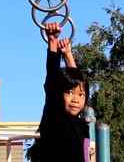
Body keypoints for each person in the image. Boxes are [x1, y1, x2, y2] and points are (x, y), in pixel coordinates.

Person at [37, 22, 91, 162]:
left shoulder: (80, 124)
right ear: (59, 94)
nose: (75, 99)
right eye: (69, 93)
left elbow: (79, 84)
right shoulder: (55, 115)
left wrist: (68, 54)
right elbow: (53, 79)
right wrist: (53, 41)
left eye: (81, 95)